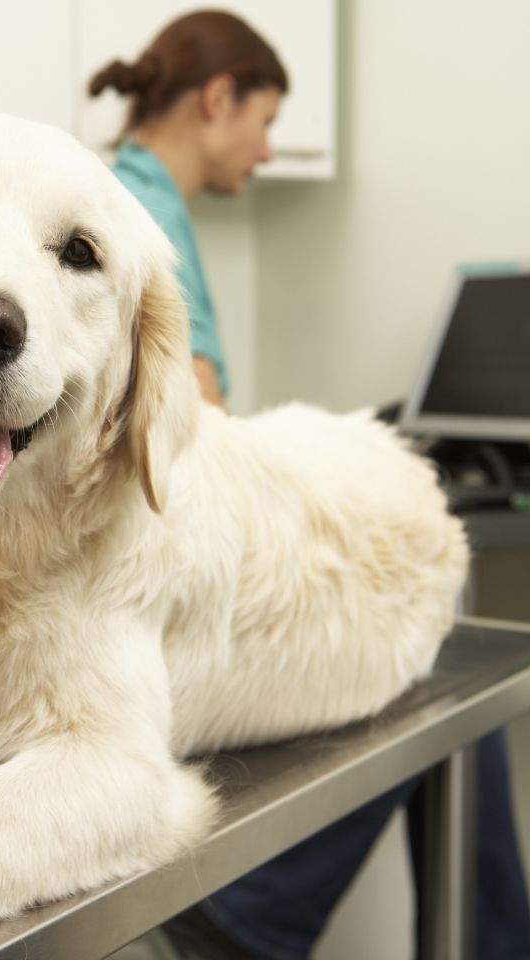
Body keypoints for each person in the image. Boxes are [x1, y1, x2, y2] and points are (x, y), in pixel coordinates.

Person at [89, 11, 530, 959]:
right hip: (136, 583)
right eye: (265, 118)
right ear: (219, 100)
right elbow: (192, 435)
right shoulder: (140, 217)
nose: (268, 146)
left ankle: (277, 920)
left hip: (135, 565)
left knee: (434, 651)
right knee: (434, 636)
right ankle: (251, 921)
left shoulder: (126, 195)